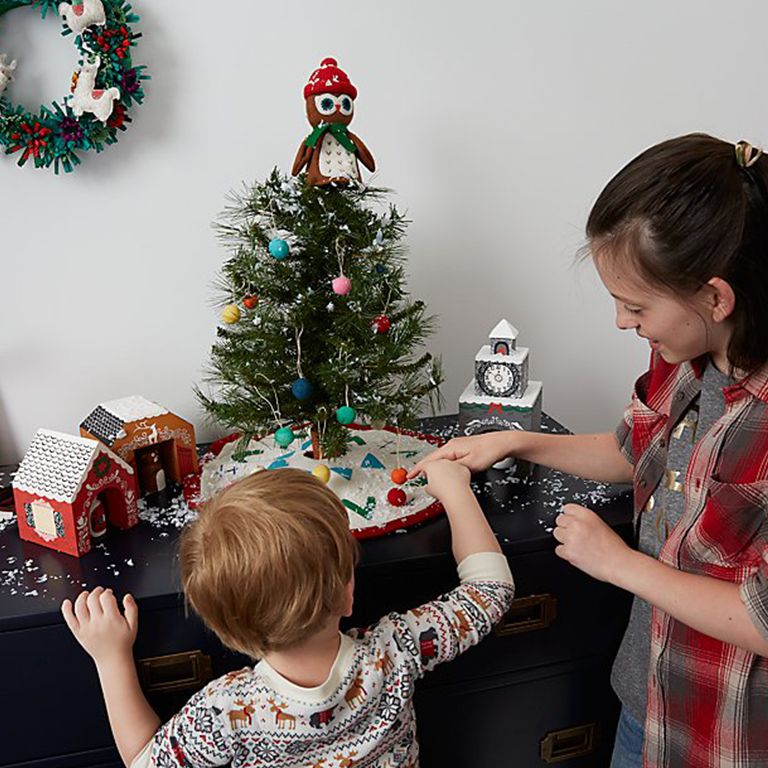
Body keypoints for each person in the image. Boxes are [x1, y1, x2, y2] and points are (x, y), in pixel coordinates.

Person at [412, 134, 768, 767]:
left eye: (635, 306)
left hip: (725, 735)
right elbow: (637, 450)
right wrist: (520, 439)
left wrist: (618, 563)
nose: (622, 323)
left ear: (716, 297)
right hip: (646, 701)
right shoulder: (686, 355)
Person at [61, 465, 514, 768]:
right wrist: (454, 488)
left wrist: (111, 656)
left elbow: (145, 763)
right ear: (347, 594)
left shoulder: (227, 709)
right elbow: (490, 592)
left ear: (223, 626)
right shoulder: (398, 648)